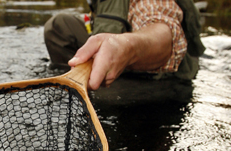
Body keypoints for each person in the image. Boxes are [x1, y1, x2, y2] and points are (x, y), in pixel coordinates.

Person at [44, 0, 205, 90]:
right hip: (113, 54)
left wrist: (126, 47)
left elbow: (163, 32)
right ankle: (75, 83)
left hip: (162, 84)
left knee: (111, 99)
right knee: (60, 25)